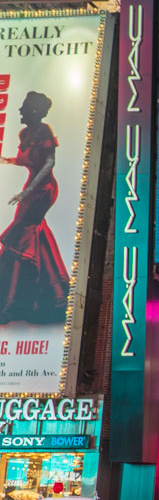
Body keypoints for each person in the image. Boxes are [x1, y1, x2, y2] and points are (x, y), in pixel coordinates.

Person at [0, 91, 69, 325]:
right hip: (29, 189)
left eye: (24, 107)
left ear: (34, 111)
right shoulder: (25, 133)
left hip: (43, 189)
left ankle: (11, 305)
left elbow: (49, 163)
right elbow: (26, 159)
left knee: (21, 235)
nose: (19, 110)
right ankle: (53, 296)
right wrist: (8, 160)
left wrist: (27, 193)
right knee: (33, 235)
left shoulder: (44, 131)